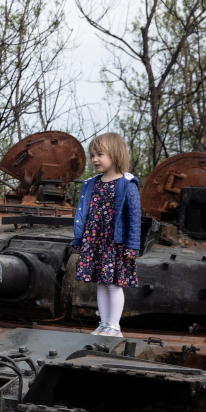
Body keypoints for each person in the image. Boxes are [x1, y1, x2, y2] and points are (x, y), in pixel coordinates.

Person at [71, 132, 141, 338]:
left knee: (113, 284)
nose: (94, 159)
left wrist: (133, 245)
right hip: (95, 240)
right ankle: (103, 323)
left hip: (115, 242)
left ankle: (114, 326)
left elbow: (134, 216)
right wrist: (80, 238)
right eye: (92, 155)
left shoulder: (127, 184)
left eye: (100, 154)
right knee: (100, 282)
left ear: (115, 154)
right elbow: (83, 212)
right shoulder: (92, 183)